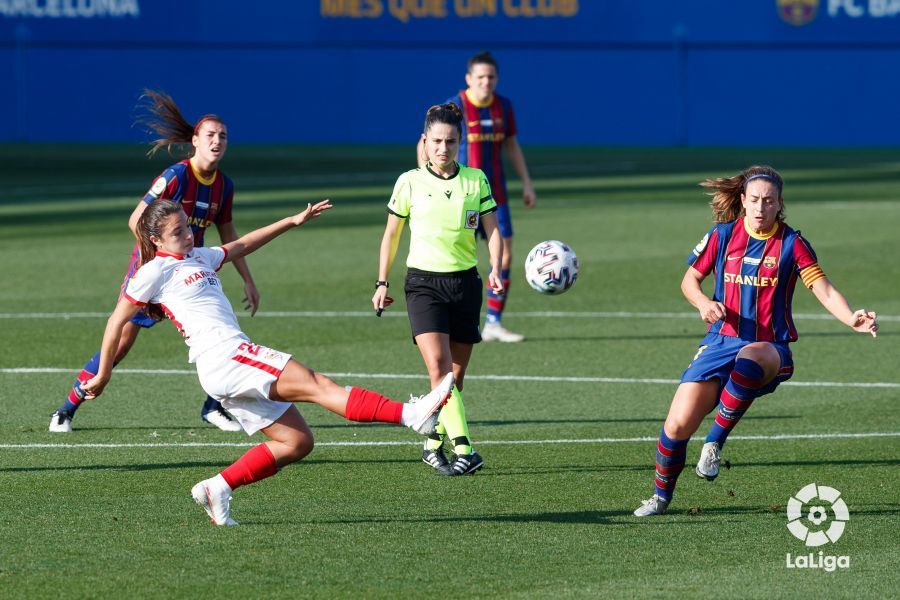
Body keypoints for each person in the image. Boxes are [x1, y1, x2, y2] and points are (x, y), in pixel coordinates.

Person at [80, 198, 454, 526]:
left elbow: (241, 244)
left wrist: (291, 221)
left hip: (226, 364)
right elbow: (117, 319)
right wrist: (104, 373)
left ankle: (217, 488)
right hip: (225, 356)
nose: (188, 236)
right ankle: (410, 415)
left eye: (188, 228)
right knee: (317, 385)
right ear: (157, 240)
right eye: (178, 232)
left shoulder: (197, 256)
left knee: (297, 441)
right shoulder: (154, 271)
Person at [634, 165, 879, 517]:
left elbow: (822, 289)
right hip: (719, 342)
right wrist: (704, 303)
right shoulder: (721, 236)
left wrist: (850, 317)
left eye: (769, 201)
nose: (761, 208)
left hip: (770, 348)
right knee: (676, 425)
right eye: (754, 200)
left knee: (751, 357)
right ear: (743, 202)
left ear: (780, 204)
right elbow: (690, 281)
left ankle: (714, 443)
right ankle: (660, 497)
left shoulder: (792, 244)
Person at [50, 90, 258, 433]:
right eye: (210, 135)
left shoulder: (224, 186)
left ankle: (213, 408)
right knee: (121, 343)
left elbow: (229, 232)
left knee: (220, 334)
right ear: (194, 141)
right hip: (156, 271)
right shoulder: (176, 176)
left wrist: (248, 280)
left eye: (223, 136)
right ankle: (66, 409)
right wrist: (156, 263)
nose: (217, 141)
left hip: (191, 276)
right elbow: (136, 219)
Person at [374, 103, 504, 476]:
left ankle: (432, 445)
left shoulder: (475, 181)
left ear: (459, 142)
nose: (442, 149)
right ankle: (466, 449)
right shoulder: (409, 182)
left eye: (450, 142)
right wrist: (381, 282)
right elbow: (391, 235)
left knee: (456, 380)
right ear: (424, 142)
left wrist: (496, 266)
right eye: (435, 142)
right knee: (439, 370)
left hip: (466, 284)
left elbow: (492, 229)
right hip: (423, 285)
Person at [417, 50, 536, 343]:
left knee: (505, 252)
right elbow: (426, 144)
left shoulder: (504, 107)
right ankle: (452, 316)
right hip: (460, 196)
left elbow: (511, 145)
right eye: (480, 76)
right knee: (461, 255)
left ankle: (494, 321)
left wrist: (527, 183)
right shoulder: (455, 106)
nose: (486, 82)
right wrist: (426, 179)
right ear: (469, 78)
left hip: (496, 193)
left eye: (491, 76)